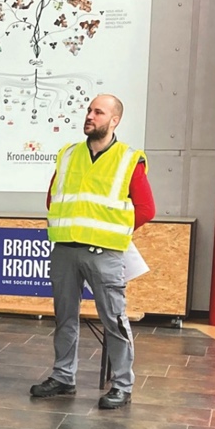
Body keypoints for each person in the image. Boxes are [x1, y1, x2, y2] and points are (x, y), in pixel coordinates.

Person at [28, 94, 155, 409]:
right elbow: (52, 199)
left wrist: (114, 233)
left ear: (114, 120)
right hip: (66, 251)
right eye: (88, 110)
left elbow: (146, 209)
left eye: (98, 112)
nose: (90, 115)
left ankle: (122, 386)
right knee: (65, 318)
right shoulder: (69, 154)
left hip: (105, 254)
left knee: (113, 319)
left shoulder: (129, 159)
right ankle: (63, 377)